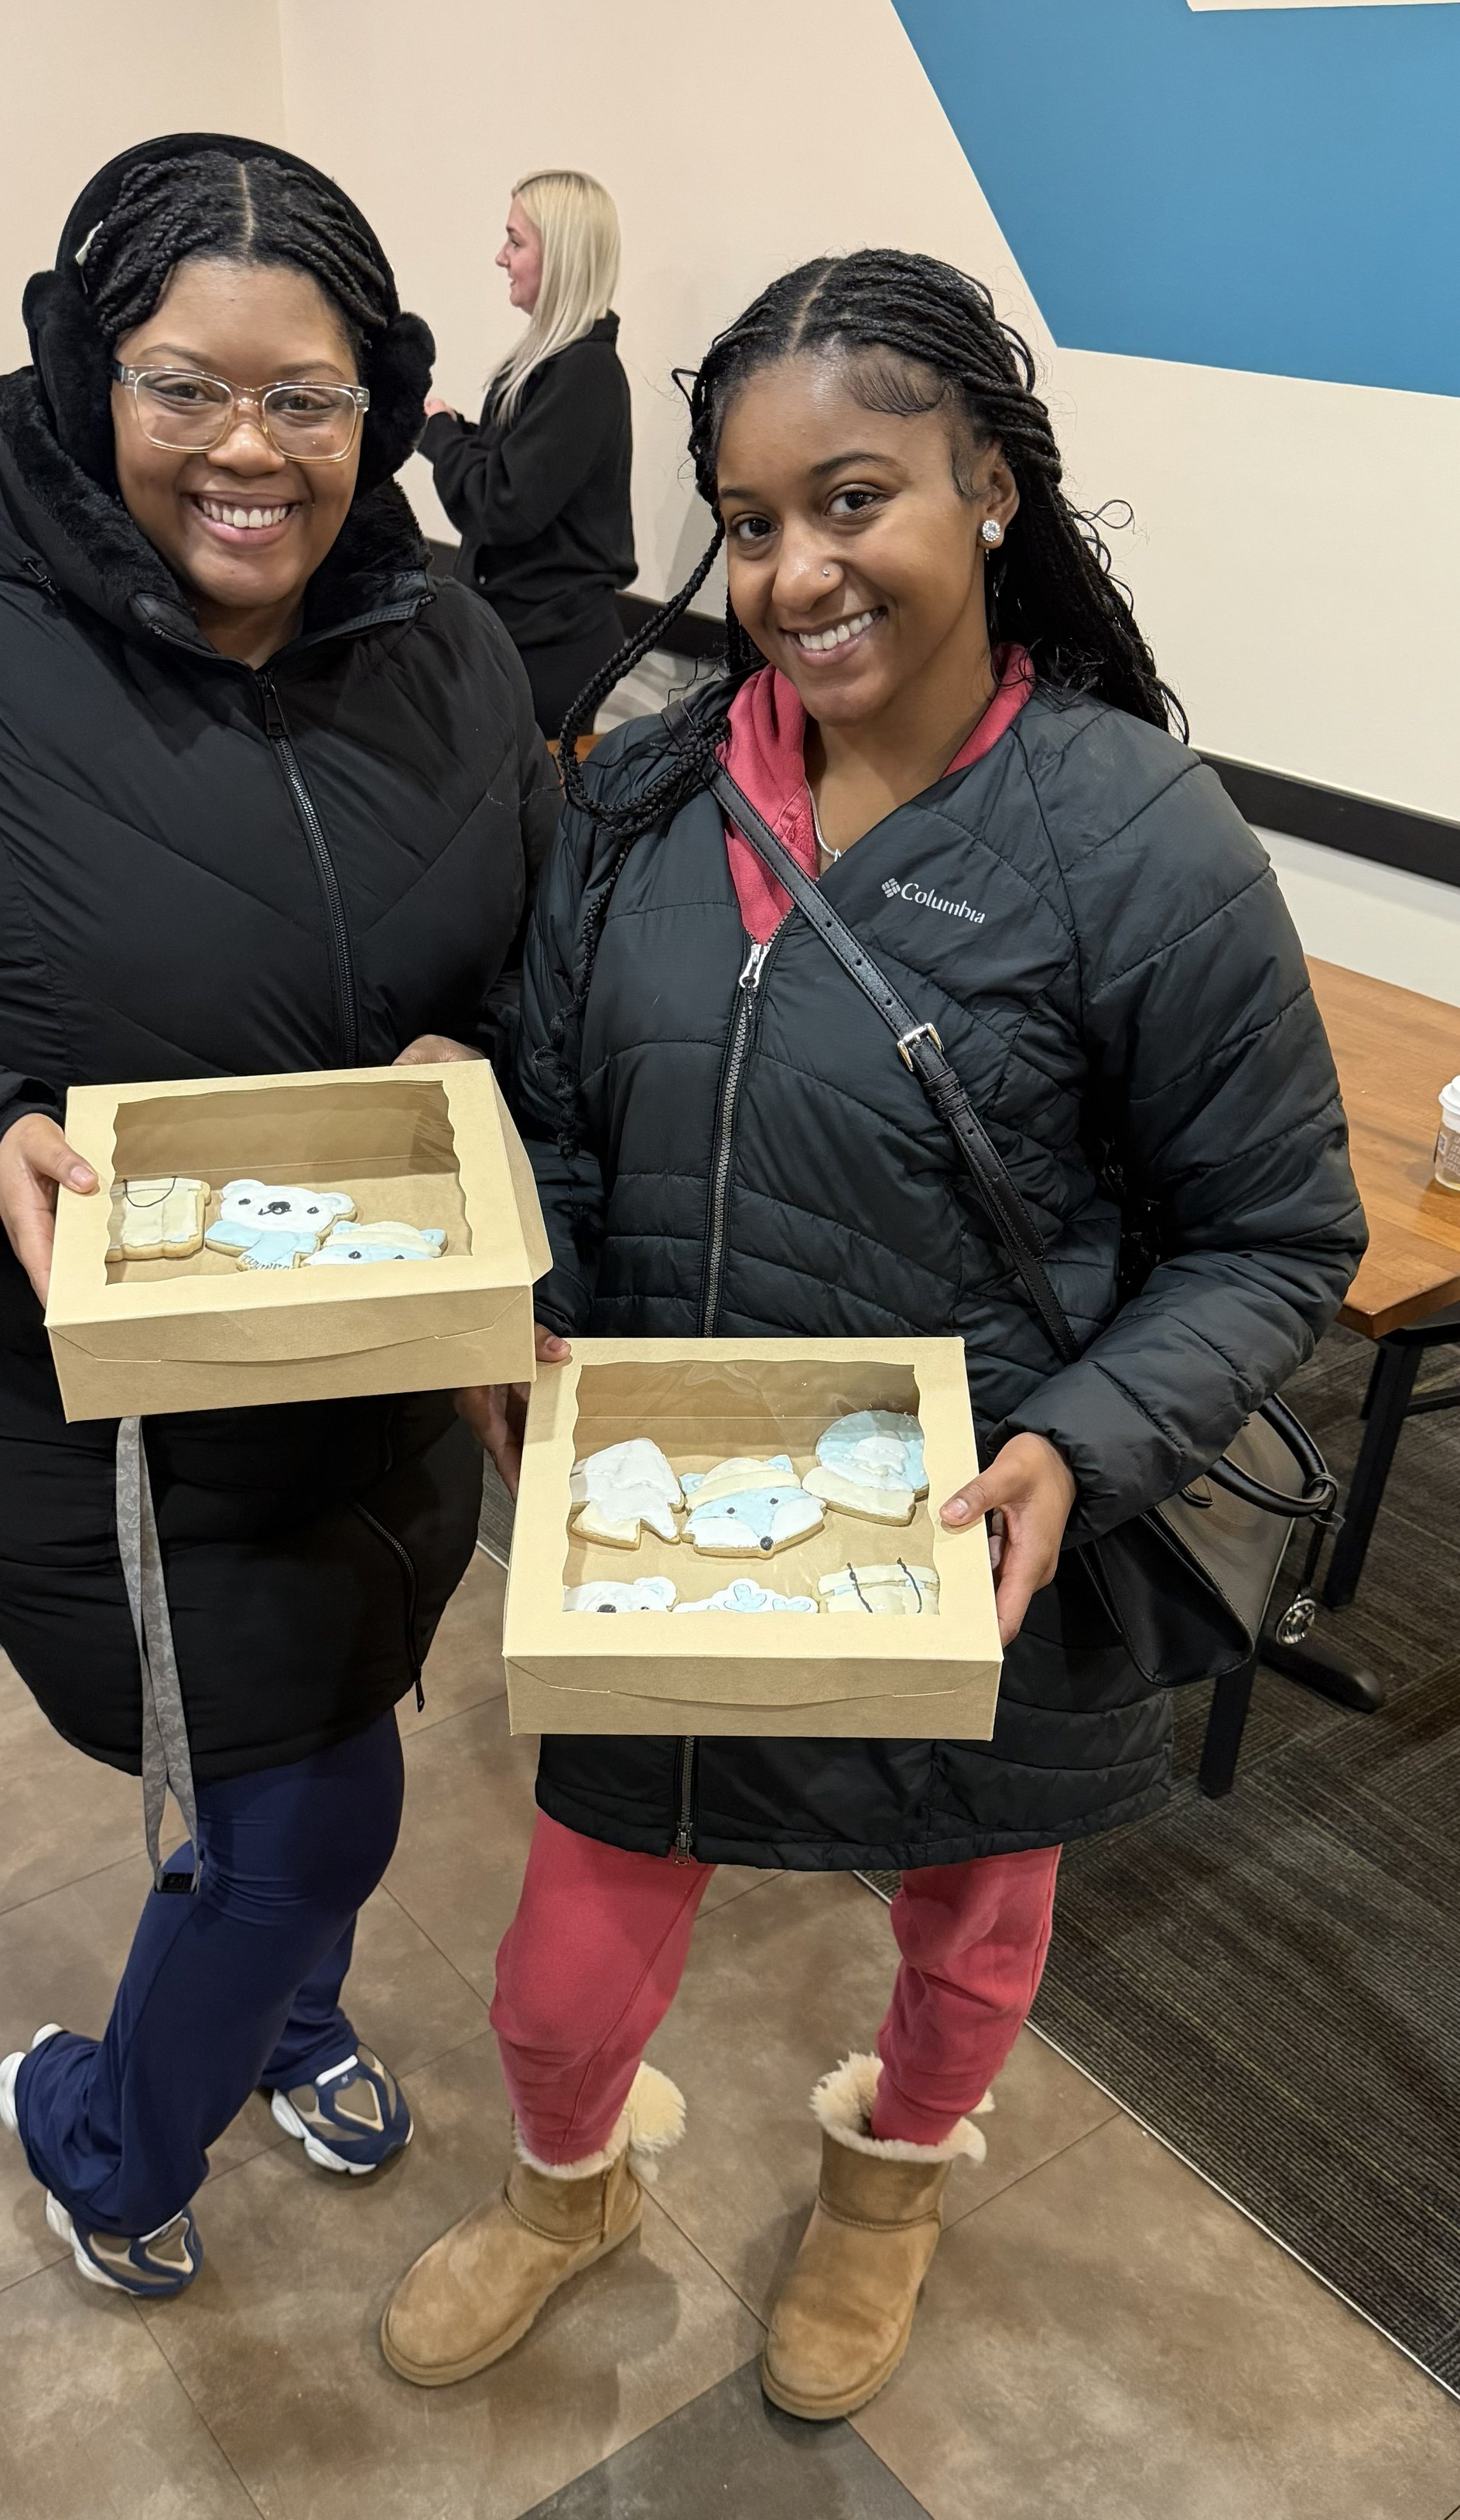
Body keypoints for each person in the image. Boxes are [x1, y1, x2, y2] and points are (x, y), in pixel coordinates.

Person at [385, 250, 1365, 2413]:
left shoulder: (1132, 842)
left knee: (967, 1937)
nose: (794, 573)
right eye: (748, 525)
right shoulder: (641, 804)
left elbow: (1272, 1234)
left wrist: (1077, 1448)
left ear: (987, 489)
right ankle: (572, 2188)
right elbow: (543, 1105)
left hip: (958, 1530)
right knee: (556, 1984)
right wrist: (522, 1297)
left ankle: (892, 2183)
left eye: (853, 501)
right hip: (653, 1525)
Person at [0, 135, 559, 2301]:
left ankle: (296, 2018)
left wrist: (484, 1067)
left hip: (378, 1368)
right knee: (310, 1811)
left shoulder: (443, 645)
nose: (249, 451)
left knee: (321, 1762)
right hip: (87, 1411)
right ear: (85, 373)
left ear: (382, 399)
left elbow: (526, 955)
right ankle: (107, 2134)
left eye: (308, 398)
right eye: (183, 387)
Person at [420, 170, 635, 738]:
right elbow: (509, 464)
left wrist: (441, 434)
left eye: (515, 241)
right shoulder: (554, 364)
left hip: (550, 644)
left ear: (560, 257)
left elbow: (502, 504)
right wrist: (444, 428)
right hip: (523, 627)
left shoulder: (585, 374)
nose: (500, 257)